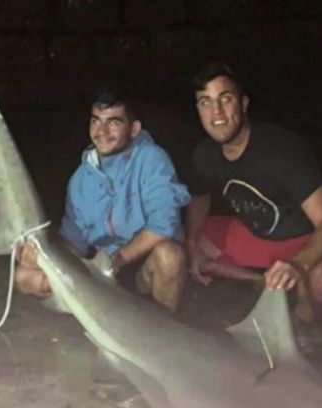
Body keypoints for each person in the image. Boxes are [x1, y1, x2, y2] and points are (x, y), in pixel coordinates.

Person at [185, 62, 322, 322]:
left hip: (300, 241)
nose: (217, 112)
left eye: (225, 99)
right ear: (198, 109)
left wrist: (298, 264)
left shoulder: (282, 150)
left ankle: (301, 318)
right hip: (255, 235)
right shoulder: (204, 154)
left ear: (244, 103)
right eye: (206, 102)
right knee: (182, 248)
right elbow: (199, 196)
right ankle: (262, 282)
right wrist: (192, 242)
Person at [15, 86, 191, 313]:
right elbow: (75, 243)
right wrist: (41, 254)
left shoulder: (152, 160)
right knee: (24, 276)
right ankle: (105, 318)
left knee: (170, 256)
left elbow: (162, 226)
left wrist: (118, 259)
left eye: (114, 122)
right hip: (103, 271)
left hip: (143, 266)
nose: (102, 131)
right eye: (96, 121)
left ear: (134, 128)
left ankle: (165, 329)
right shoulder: (80, 180)